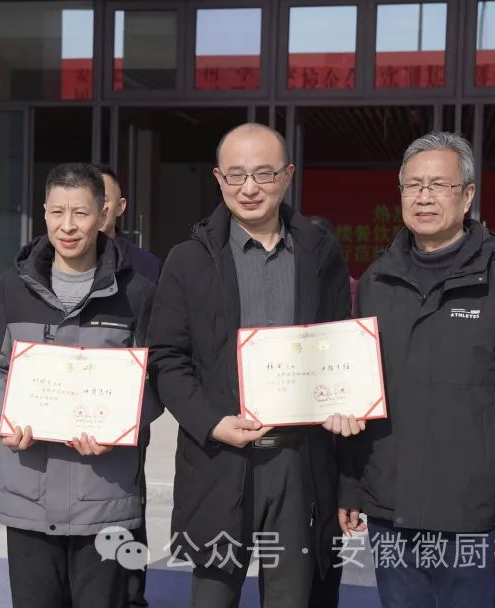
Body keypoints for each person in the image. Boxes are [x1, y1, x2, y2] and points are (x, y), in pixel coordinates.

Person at [147, 123, 362, 608]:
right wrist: (211, 422)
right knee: (213, 594)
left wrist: (344, 403)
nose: (249, 188)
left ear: (287, 176)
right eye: (236, 174)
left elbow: (338, 347)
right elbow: (166, 358)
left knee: (293, 595)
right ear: (218, 178)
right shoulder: (188, 260)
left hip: (298, 460)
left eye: (264, 174)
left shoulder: (319, 252)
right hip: (219, 458)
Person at [337, 131, 495, 607]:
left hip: (472, 512)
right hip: (390, 507)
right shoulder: (377, 280)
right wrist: (350, 487)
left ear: (468, 195)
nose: (424, 196)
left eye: (439, 184)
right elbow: (356, 392)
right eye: (413, 185)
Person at [0, 163, 160, 608]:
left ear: (103, 214)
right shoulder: (12, 288)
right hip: (28, 493)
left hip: (106, 494)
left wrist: (120, 426)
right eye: (57, 212)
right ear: (44, 213)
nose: (68, 226)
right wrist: (3, 418)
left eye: (81, 213)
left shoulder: (137, 292)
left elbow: (160, 376)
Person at [95, 164, 158, 607]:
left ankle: (133, 595)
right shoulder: (42, 263)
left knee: (128, 511)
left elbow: (160, 349)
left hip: (124, 418)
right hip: (59, 421)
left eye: (103, 201)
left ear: (120, 207)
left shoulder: (147, 269)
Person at [96, 164, 162, 284]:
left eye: (103, 200)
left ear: (120, 207)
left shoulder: (146, 265)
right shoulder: (63, 261)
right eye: (87, 201)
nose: (95, 208)